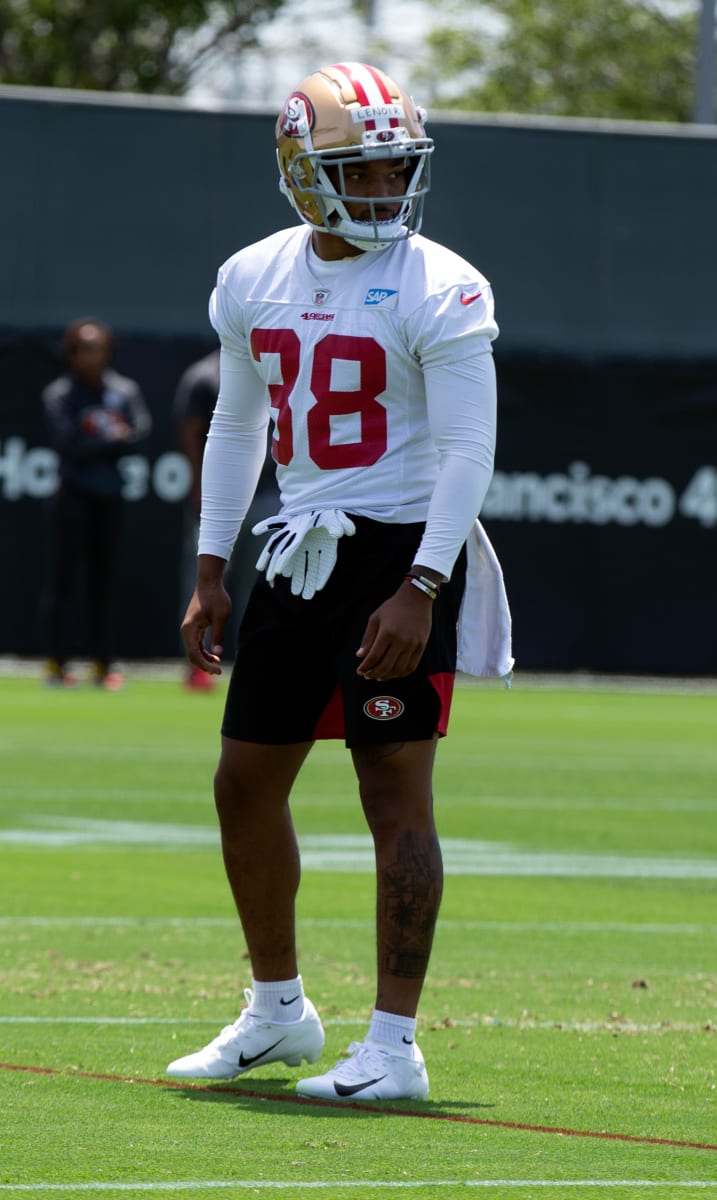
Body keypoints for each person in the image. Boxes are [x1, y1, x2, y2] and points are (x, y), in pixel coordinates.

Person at [170, 61, 511, 1102]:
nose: (384, 191)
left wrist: (421, 585)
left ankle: (396, 1046)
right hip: (297, 549)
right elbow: (241, 424)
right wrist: (213, 564)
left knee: (391, 790)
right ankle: (278, 1013)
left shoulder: (442, 282)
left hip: (400, 545)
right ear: (301, 171)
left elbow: (467, 453)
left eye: (396, 169)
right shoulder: (251, 275)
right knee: (242, 781)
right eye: (360, 173)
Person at [41, 317, 152, 690]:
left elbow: (139, 434)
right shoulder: (60, 393)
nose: (92, 356)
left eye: (98, 348)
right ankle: (57, 663)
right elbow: (68, 443)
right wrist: (112, 440)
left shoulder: (124, 390)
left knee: (104, 582)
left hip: (110, 497)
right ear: (71, 354)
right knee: (65, 581)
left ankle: (103, 664)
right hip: (72, 495)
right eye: (84, 349)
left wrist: (107, 443)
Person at [175, 348, 279, 690]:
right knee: (205, 582)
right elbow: (191, 433)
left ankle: (255, 663)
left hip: (268, 494)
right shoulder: (204, 374)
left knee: (260, 585)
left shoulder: (278, 365)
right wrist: (200, 489)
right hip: (221, 498)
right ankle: (198, 663)